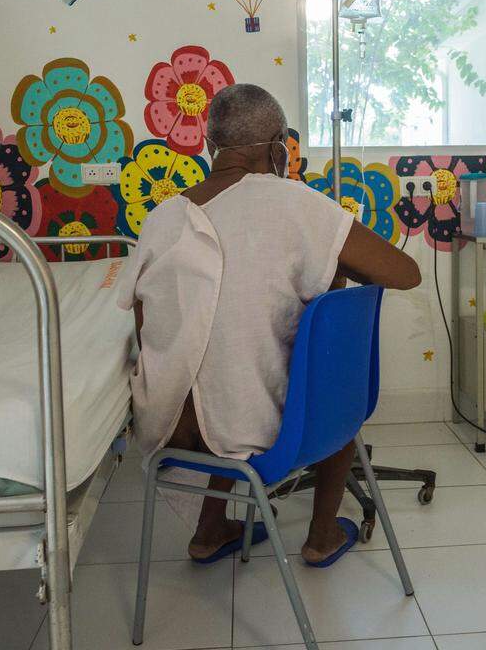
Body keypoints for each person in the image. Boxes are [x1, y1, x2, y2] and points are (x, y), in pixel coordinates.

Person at [117, 83, 420, 566]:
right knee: (333, 374)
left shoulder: (162, 217)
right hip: (249, 428)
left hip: (165, 428)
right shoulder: (295, 202)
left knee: (223, 361)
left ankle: (211, 528)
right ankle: (321, 537)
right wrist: (332, 267)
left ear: (210, 146)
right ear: (279, 146)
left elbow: (144, 322)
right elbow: (406, 273)